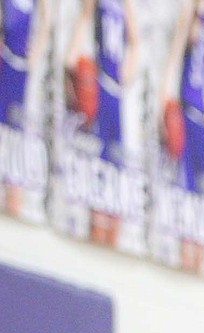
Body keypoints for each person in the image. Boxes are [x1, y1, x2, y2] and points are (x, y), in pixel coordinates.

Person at [65, 0, 139, 247]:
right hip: (97, 88)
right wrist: (73, 64)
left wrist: (127, 72)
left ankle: (111, 242)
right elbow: (85, 20)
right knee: (96, 172)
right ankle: (93, 237)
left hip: (114, 94)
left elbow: (135, 42)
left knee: (115, 172)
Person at [160, 0, 204, 272]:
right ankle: (183, 254)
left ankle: (197, 256)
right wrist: (163, 106)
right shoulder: (188, 22)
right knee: (184, 185)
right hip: (184, 115)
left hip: (200, 120)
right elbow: (174, 57)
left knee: (200, 189)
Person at [0, 0, 50, 216]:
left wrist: (35, 52)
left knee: (14, 152)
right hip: (6, 60)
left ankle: (14, 211)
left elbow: (47, 18)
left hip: (18, 70)